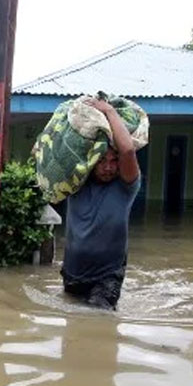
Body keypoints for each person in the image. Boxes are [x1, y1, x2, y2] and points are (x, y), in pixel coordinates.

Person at [61, 98, 141, 310]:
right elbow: (65, 150)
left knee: (98, 322)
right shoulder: (76, 183)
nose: (107, 167)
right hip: (72, 273)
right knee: (72, 333)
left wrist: (109, 111)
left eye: (113, 161)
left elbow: (128, 152)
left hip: (107, 276)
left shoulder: (126, 187)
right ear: (91, 161)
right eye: (102, 161)